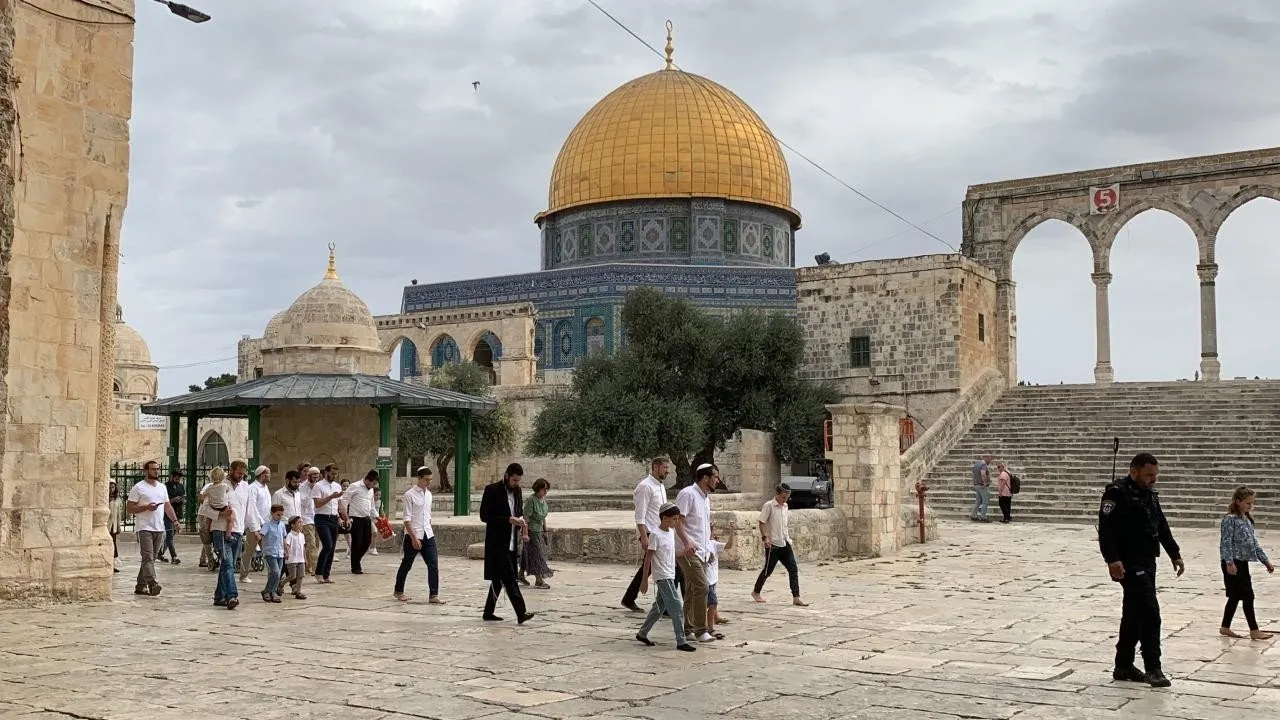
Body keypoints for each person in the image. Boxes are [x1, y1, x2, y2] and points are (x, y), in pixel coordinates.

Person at [1098, 452, 1184, 688]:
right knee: (1150, 612)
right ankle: (1153, 667)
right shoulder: (1116, 493)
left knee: (1133, 613)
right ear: (1133, 471)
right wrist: (1112, 559)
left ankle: (1123, 665)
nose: (1153, 479)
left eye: (1155, 475)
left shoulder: (1150, 495)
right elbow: (1106, 529)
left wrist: (1174, 553)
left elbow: (1161, 524)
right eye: (1148, 475)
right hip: (1128, 562)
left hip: (1147, 560)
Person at [635, 502, 695, 652]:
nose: (676, 522)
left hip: (671, 573)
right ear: (664, 518)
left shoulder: (671, 533)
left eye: (677, 519)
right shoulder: (655, 535)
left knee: (659, 608)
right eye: (673, 519)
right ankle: (681, 641)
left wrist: (685, 553)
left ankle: (642, 633)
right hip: (662, 576)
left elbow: (671, 553)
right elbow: (648, 558)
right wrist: (644, 580)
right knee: (677, 607)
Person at [479, 463, 534, 624]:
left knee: (498, 579)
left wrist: (521, 522)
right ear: (507, 476)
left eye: (518, 481)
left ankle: (488, 612)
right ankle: (521, 613)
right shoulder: (492, 490)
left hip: (511, 542)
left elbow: (518, 511)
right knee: (510, 577)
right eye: (514, 480)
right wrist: (508, 520)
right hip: (497, 543)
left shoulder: (517, 491)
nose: (516, 483)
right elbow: (484, 516)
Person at [1219, 486, 1274, 640]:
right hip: (1233, 562)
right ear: (1238, 502)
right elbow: (1225, 542)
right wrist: (1229, 562)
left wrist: (1265, 560)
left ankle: (1225, 627)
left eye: (1252, 503)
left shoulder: (1246, 520)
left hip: (1243, 562)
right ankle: (1254, 630)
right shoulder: (1229, 520)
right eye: (1248, 503)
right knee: (1247, 596)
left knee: (1235, 596)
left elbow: (1254, 543)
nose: (1250, 506)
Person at [622, 457, 674, 612]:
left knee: (655, 566)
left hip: (661, 532)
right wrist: (644, 537)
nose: (667, 471)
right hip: (650, 532)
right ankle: (663, 604)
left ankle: (630, 598)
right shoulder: (645, 487)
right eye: (665, 467)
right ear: (655, 467)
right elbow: (640, 515)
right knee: (653, 566)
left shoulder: (660, 486)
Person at [675, 463, 717, 643]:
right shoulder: (688, 494)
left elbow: (703, 526)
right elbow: (678, 520)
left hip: (702, 551)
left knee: (692, 590)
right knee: (702, 587)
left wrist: (710, 548)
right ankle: (701, 630)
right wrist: (686, 542)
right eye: (715, 476)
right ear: (705, 478)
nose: (717, 480)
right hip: (688, 550)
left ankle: (688, 629)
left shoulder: (705, 498)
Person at [126, 460, 179, 597]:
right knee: (148, 557)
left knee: (151, 558)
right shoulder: (138, 488)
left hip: (159, 528)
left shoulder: (162, 487)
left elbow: (167, 506)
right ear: (146, 471)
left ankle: (140, 585)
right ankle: (152, 583)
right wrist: (146, 507)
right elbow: (130, 508)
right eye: (153, 469)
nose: (156, 471)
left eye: (157, 469)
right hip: (144, 527)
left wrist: (175, 521)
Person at [752, 483, 808, 606]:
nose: (785, 500)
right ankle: (756, 592)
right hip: (773, 545)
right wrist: (765, 538)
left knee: (793, 569)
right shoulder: (769, 506)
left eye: (787, 497)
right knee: (767, 571)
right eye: (783, 497)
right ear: (776, 494)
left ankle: (796, 597)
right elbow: (762, 522)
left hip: (785, 543)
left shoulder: (785, 506)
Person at [394, 466, 444, 604]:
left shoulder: (429, 494)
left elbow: (427, 515)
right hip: (414, 534)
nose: (429, 482)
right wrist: (414, 538)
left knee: (433, 564)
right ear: (419, 478)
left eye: (430, 480)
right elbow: (407, 519)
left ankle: (433, 595)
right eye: (426, 480)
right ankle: (398, 590)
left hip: (428, 533)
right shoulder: (409, 495)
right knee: (407, 563)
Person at [212, 460, 252, 610]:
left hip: (238, 530)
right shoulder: (219, 486)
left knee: (227, 565)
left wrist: (253, 528)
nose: (241, 476)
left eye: (243, 474)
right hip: (222, 530)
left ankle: (219, 596)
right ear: (231, 470)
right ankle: (232, 596)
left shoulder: (245, 487)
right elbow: (205, 508)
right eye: (238, 473)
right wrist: (221, 514)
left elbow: (249, 509)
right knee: (228, 564)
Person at [520, 478, 554, 589]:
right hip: (530, 531)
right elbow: (526, 518)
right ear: (538, 489)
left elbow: (543, 517)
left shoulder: (543, 500)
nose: (545, 492)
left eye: (547, 489)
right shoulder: (531, 500)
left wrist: (545, 531)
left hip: (538, 531)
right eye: (544, 489)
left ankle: (520, 575)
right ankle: (539, 580)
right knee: (537, 554)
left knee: (527, 553)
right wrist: (525, 534)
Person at [341, 470, 378, 574]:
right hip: (355, 518)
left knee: (367, 541)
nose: (373, 486)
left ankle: (356, 559)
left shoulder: (371, 490)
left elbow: (372, 505)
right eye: (372, 483)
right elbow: (345, 500)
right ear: (367, 480)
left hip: (366, 518)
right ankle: (355, 566)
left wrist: (377, 516)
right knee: (357, 542)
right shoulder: (354, 486)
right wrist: (345, 517)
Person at [311, 467, 344, 583]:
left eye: (336, 474)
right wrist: (330, 497)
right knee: (328, 545)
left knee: (332, 547)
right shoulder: (318, 486)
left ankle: (326, 575)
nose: (334, 476)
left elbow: (339, 504)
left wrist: (344, 517)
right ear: (326, 473)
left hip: (333, 518)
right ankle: (319, 572)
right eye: (332, 474)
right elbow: (317, 504)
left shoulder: (337, 486)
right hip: (322, 518)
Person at [242, 465, 272, 583]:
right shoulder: (253, 488)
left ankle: (272, 573)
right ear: (263, 475)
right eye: (268, 474)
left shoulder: (265, 487)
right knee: (249, 551)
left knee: (268, 550)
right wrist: (259, 522)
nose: (270, 476)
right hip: (255, 525)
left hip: (266, 524)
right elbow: (253, 507)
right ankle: (244, 575)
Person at [260, 504, 287, 603]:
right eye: (278, 514)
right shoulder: (267, 525)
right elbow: (261, 535)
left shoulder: (282, 525)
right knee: (275, 572)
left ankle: (271, 591)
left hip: (280, 552)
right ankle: (268, 590)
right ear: (272, 513)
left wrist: (286, 550)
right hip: (270, 552)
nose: (280, 517)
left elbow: (284, 538)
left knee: (277, 574)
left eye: (281, 515)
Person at [158, 469, 185, 564]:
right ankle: (174, 556)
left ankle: (160, 553)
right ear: (172, 477)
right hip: (167, 513)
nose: (178, 479)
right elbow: (163, 501)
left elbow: (183, 497)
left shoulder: (180, 486)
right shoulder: (165, 487)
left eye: (179, 478)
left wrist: (181, 500)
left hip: (177, 513)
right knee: (169, 534)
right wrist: (173, 500)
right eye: (176, 478)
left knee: (172, 534)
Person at [283, 516, 308, 600]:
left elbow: (303, 548)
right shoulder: (290, 535)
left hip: (300, 559)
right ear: (292, 525)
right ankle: (281, 584)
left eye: (301, 522)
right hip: (292, 559)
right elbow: (287, 545)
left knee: (300, 576)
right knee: (292, 576)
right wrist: (287, 553)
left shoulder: (302, 535)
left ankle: (298, 592)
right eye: (299, 522)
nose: (301, 524)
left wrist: (305, 558)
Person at [970, 455, 992, 522]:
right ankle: (983, 517)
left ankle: (973, 515)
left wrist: (974, 483)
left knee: (978, 501)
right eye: (990, 459)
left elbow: (973, 474)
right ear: (986, 458)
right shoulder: (983, 465)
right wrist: (985, 483)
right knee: (985, 501)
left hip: (976, 485)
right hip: (982, 485)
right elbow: (983, 474)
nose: (990, 461)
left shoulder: (976, 464)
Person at [108, 480, 121, 573]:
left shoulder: (117, 499)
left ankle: (112, 564)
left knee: (113, 543)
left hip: (114, 525)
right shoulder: (104, 499)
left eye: (112, 487)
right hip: (106, 524)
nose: (111, 489)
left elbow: (119, 514)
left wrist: (119, 525)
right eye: (109, 487)